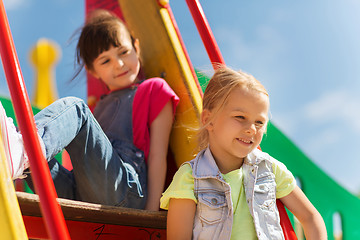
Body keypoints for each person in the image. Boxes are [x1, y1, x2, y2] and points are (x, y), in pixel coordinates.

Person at [0, 9, 179, 211]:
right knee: (33, 160)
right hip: (84, 192)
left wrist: (151, 212)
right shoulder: (100, 105)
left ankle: (21, 150)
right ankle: (19, 152)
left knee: (76, 110)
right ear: (93, 70)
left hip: (125, 190)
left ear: (136, 47)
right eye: (106, 61)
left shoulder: (154, 88)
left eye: (123, 52)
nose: (119, 64)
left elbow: (157, 156)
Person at [160, 66, 327, 239]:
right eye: (240, 117)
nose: (251, 129)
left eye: (259, 122)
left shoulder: (270, 169)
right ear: (208, 119)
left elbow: (310, 217)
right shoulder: (190, 178)